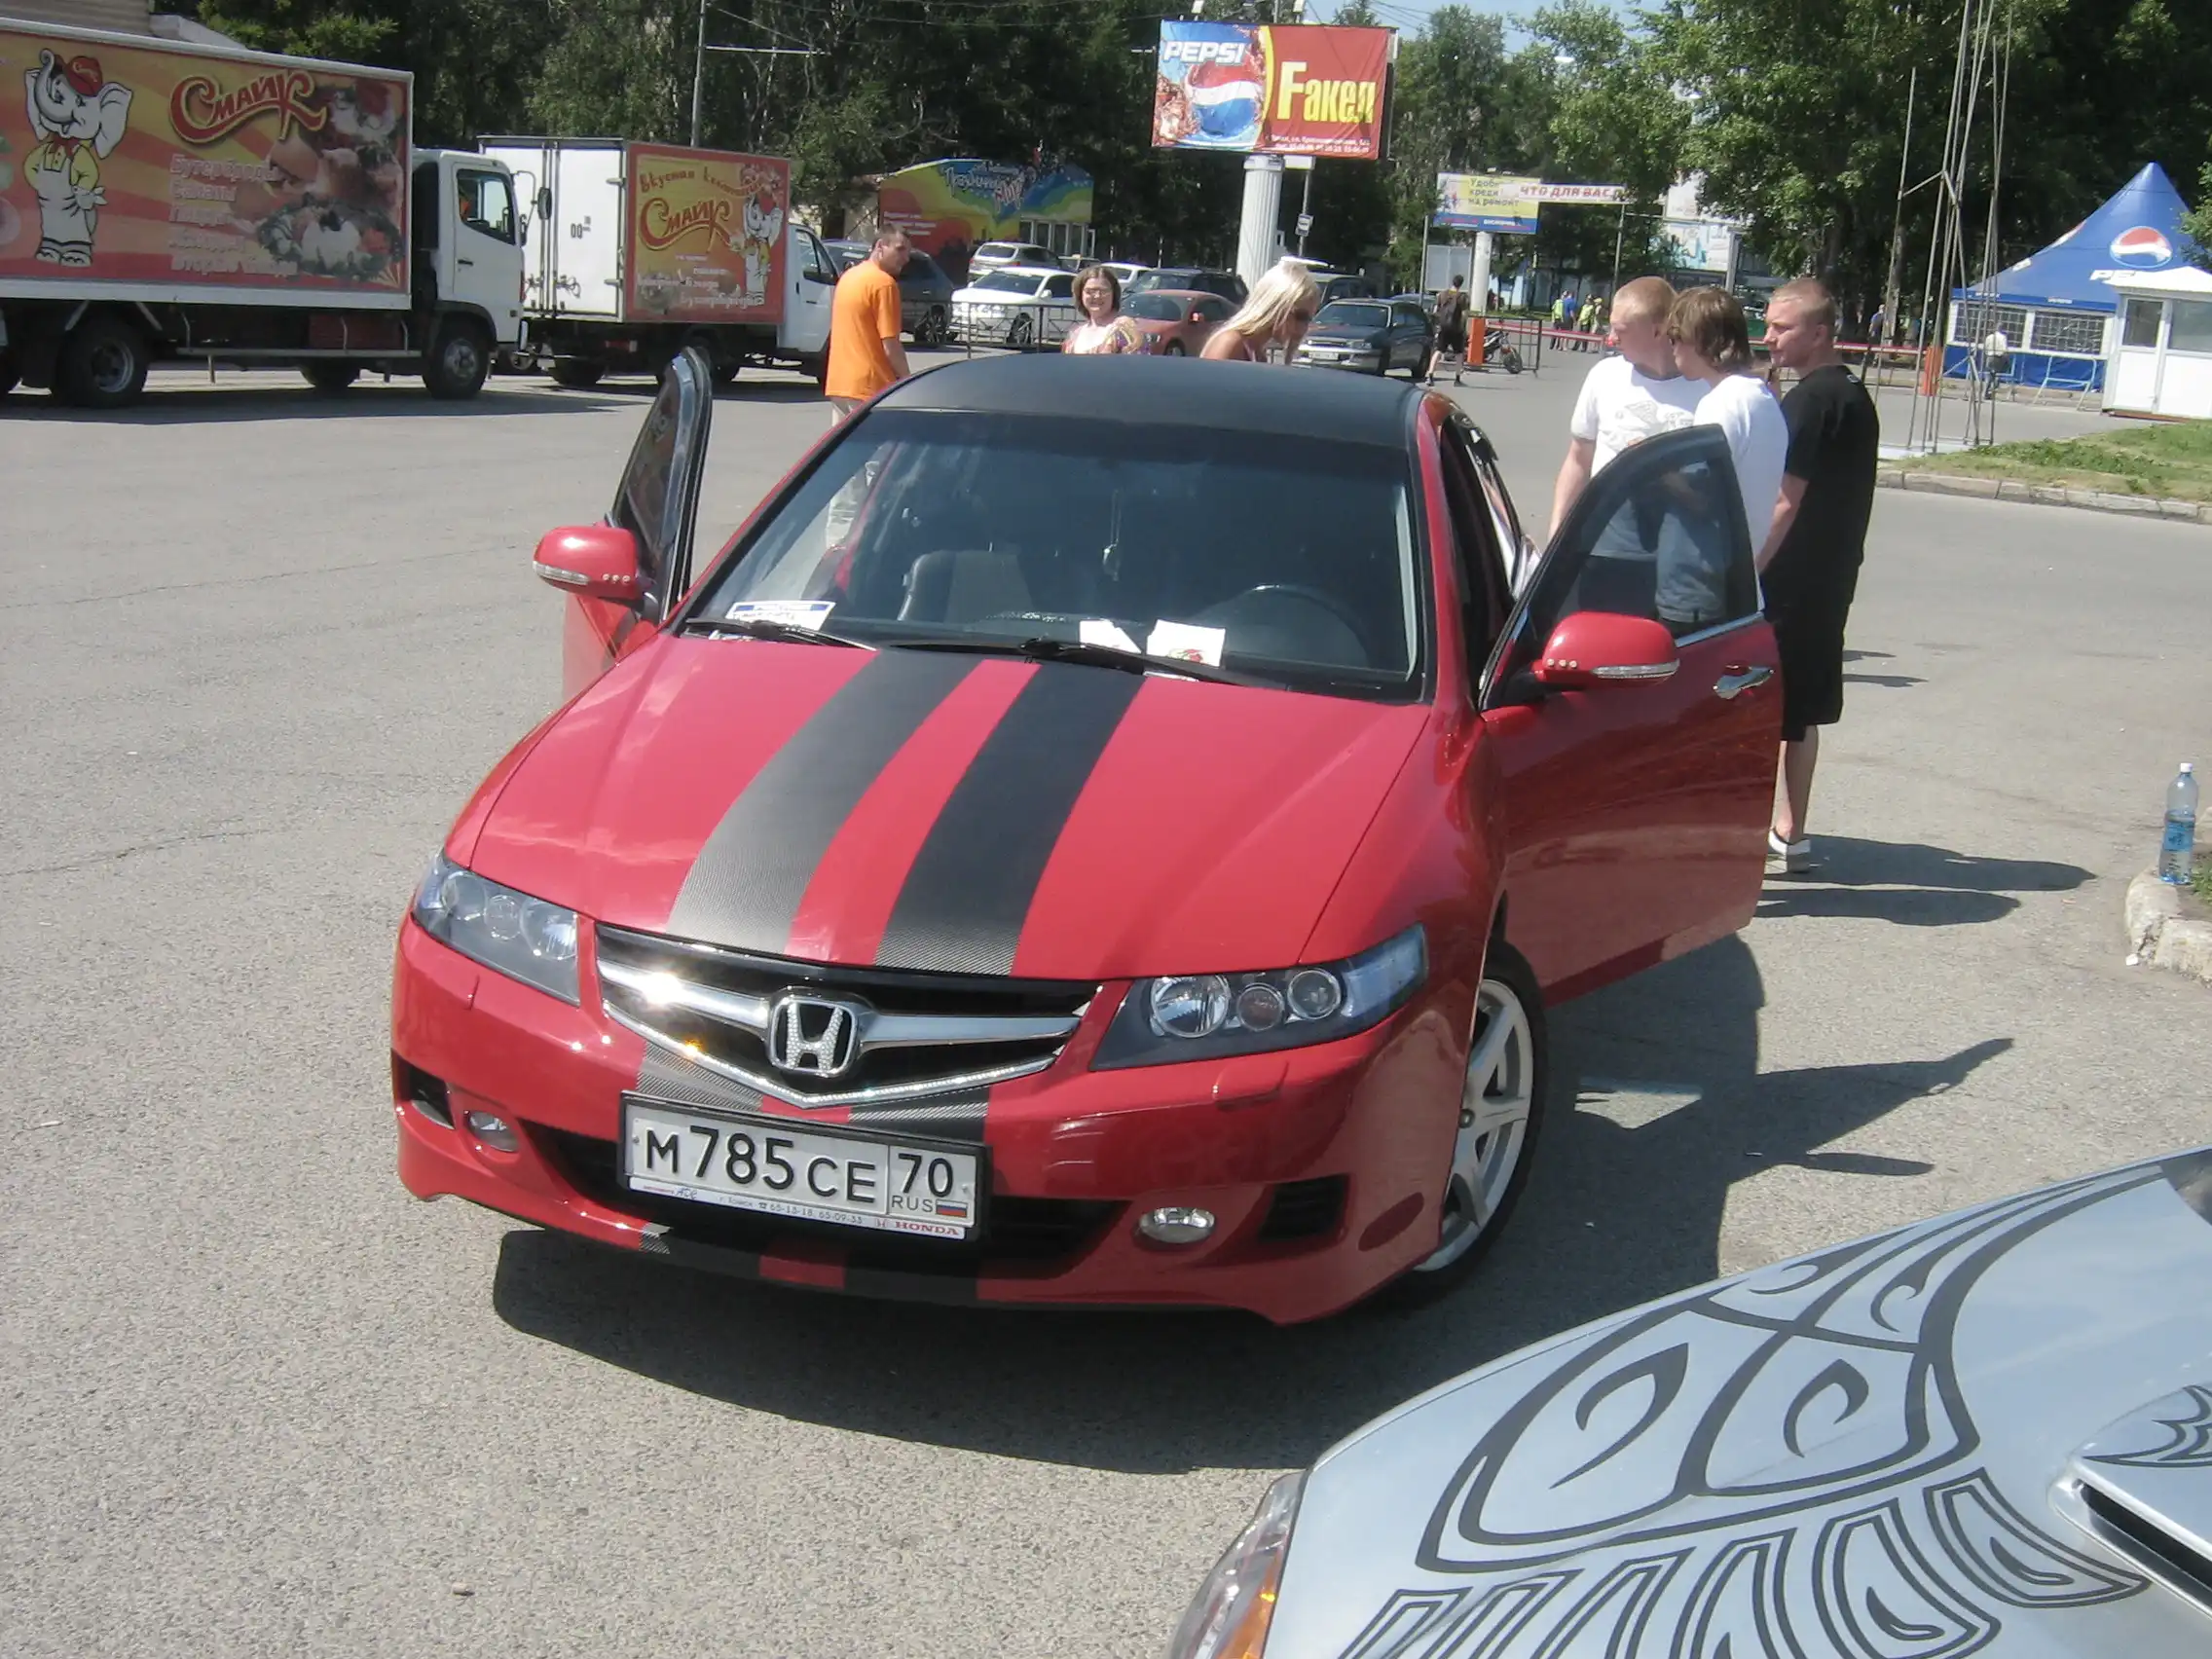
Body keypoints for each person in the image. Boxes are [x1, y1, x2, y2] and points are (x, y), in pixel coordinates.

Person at [1755, 277, 1880, 873]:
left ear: (1820, 333)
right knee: (1800, 711)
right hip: (1831, 576)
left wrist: (1748, 569)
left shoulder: (1809, 403)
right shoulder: (1853, 394)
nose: (1769, 337)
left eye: (1782, 328)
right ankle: (1792, 831)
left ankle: (1750, 833)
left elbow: (1785, 500)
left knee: (1760, 710)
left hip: (1789, 580)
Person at [1549, 276, 1703, 534]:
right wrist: (1557, 530)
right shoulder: (1604, 375)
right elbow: (1578, 460)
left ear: (1657, 331)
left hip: (1681, 539)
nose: (1611, 339)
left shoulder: (1706, 387)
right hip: (1606, 539)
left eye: (1620, 331)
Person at [1667, 285, 1788, 556]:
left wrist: (1656, 469)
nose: (1672, 348)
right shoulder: (1763, 398)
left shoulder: (1721, 402)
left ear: (1701, 340)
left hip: (1706, 568)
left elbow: (1701, 500)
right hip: (1739, 563)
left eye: (1675, 338)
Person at [825, 227, 910, 422]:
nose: (905, 258)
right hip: (871, 387)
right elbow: (891, 345)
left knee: (845, 440)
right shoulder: (884, 284)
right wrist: (907, 380)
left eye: (907, 252)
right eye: (900, 249)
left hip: (839, 384)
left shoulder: (848, 277)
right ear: (880, 246)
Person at [1201, 259, 1319, 363]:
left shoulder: (1256, 352)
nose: (1303, 328)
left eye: (1308, 320)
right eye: (1300, 316)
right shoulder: (1230, 343)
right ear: (1274, 305)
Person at [1062, 265, 1143, 355]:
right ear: (1080, 294)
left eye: (1104, 291)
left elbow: (1137, 363)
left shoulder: (1126, 329)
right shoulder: (1075, 335)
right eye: (1090, 291)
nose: (1097, 296)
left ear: (1114, 294)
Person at [1427, 275, 1468, 384]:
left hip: (1444, 327)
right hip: (1456, 329)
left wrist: (1439, 322)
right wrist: (1463, 327)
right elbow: (1464, 315)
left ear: (1452, 282)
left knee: (1439, 351)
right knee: (1459, 353)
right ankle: (1457, 379)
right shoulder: (1462, 297)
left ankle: (1430, 375)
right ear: (1461, 284)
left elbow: (1435, 311)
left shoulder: (1442, 294)